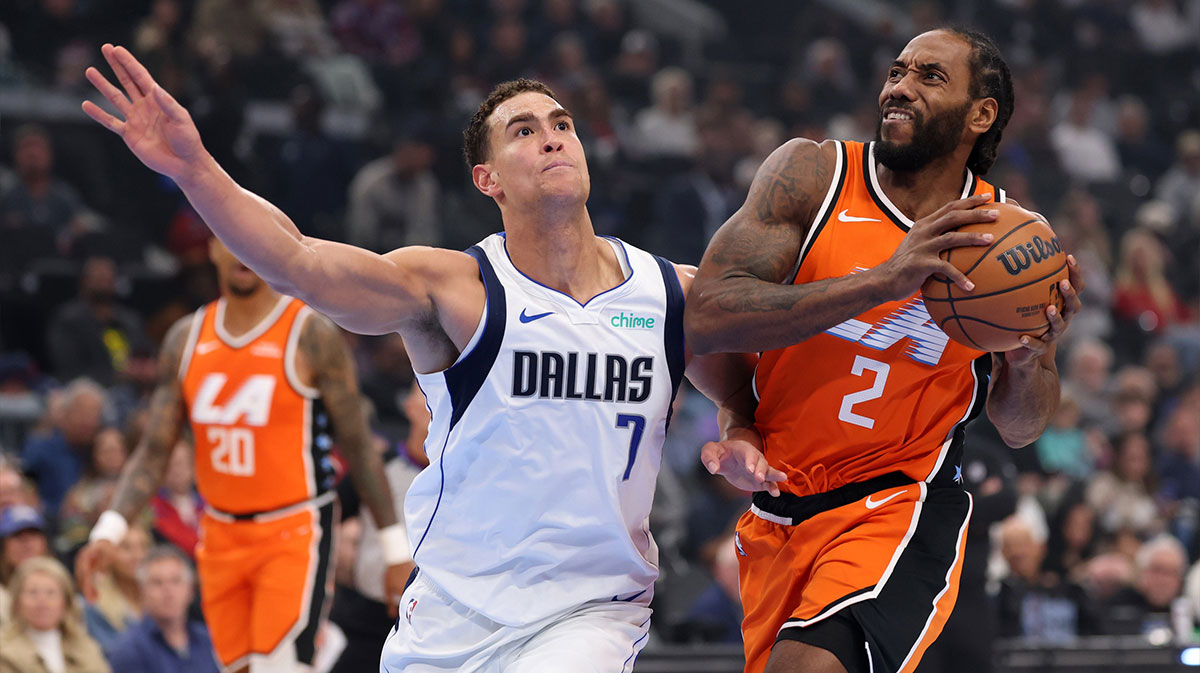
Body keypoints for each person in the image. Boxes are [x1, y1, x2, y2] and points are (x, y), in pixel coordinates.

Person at [80, 44, 756, 672]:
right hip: (452, 611)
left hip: (591, 608)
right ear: (485, 178)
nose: (551, 134)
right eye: (523, 129)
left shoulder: (669, 290)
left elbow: (740, 393)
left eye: (562, 123)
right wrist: (196, 170)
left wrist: (740, 435)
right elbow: (298, 264)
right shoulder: (456, 289)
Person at [685, 28, 1083, 673]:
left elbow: (1020, 427)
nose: (899, 87)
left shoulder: (1008, 242)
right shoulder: (813, 175)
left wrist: (1031, 356)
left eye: (930, 76)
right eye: (897, 72)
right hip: (781, 507)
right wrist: (883, 280)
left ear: (981, 114)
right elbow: (706, 315)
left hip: (900, 502)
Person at [72, 231, 411, 673]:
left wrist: (394, 549)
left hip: (294, 530)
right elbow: (155, 449)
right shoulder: (185, 339)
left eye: (249, 234)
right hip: (220, 533)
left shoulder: (310, 333)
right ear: (211, 249)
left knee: (282, 666)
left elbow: (360, 447)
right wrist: (108, 531)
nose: (242, 249)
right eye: (227, 236)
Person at [104, 545, 220, 673]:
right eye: (157, 582)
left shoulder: (210, 639)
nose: (168, 591)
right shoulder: (127, 650)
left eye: (176, 581)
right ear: (142, 591)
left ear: (191, 590)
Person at [0, 556, 110, 673]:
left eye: (50, 593)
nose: (42, 601)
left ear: (66, 602)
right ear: (17, 602)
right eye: (32, 592)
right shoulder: (4, 651)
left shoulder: (87, 647)